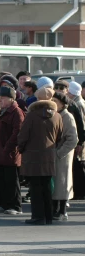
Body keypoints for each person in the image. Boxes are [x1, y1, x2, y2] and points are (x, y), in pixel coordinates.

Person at [17, 88, 63, 224]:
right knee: (47, 186)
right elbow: (60, 136)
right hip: (49, 156)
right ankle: (48, 216)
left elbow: (23, 136)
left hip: (32, 156)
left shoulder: (31, 115)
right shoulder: (57, 116)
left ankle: (38, 216)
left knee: (35, 187)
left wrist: (21, 148)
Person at [0, 86, 25, 215]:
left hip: (11, 152)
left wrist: (8, 148)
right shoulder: (1, 112)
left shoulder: (16, 112)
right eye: (0, 98)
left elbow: (17, 133)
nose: (0, 101)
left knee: (12, 181)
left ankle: (15, 206)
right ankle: (3, 204)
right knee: (1, 180)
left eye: (3, 99)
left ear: (11, 99)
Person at [51, 92, 77, 221]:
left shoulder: (67, 117)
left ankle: (62, 211)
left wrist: (59, 153)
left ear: (63, 103)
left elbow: (72, 139)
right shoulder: (55, 115)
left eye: (56, 101)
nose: (53, 103)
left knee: (63, 183)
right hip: (55, 154)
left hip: (63, 155)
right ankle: (55, 209)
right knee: (56, 184)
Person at [67, 81, 85, 199]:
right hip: (80, 139)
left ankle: (80, 192)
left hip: (80, 140)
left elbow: (81, 124)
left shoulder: (78, 103)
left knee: (79, 166)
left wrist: (80, 142)